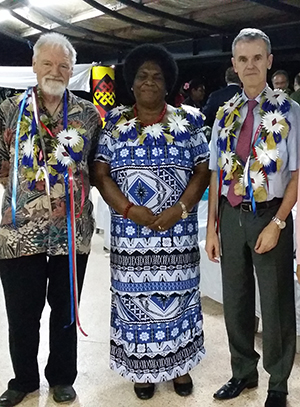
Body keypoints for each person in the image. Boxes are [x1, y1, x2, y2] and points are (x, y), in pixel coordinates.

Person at [94, 44, 210, 400]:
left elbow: (203, 170)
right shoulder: (114, 123)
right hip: (131, 237)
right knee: (134, 304)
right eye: (142, 76)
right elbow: (100, 173)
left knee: (180, 301)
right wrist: (130, 210)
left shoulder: (188, 121)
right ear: (131, 82)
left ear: (168, 82)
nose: (149, 82)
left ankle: (181, 366)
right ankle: (140, 370)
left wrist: (181, 209)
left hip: (178, 234)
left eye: (157, 76)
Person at [0, 33, 100, 406]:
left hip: (72, 234)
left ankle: (62, 378)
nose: (54, 71)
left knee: (65, 310)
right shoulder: (10, 110)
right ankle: (22, 379)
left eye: (63, 66)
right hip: (18, 233)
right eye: (48, 63)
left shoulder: (88, 115)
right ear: (34, 66)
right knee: (22, 313)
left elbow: (98, 166)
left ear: (72, 71)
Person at [206, 28, 299, 407]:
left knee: (275, 304)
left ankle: (278, 383)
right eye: (242, 59)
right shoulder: (225, 113)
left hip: (269, 215)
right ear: (234, 65)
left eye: (257, 58)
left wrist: (278, 223)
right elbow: (215, 171)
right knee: (237, 301)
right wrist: (212, 227)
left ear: (269, 61)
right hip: (231, 215)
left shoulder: (290, 112)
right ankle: (242, 372)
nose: (250, 66)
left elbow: (297, 174)